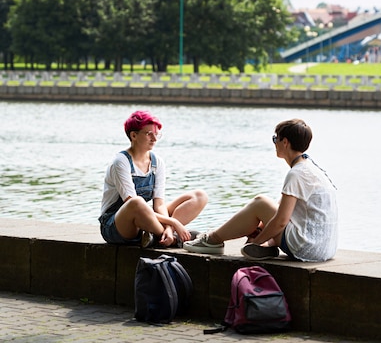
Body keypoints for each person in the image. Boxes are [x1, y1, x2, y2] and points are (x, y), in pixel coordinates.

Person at [183, 118, 338, 262]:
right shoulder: (312, 169)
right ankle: (268, 245)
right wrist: (261, 229)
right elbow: (283, 209)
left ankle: (212, 240)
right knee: (270, 207)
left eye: (275, 139)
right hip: (325, 249)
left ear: (285, 142)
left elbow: (281, 221)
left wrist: (256, 243)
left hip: (307, 248)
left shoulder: (296, 173)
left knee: (260, 202)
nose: (274, 143)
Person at [99, 109, 208, 247]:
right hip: (115, 225)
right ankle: (172, 240)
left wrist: (169, 227)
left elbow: (159, 204)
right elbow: (132, 204)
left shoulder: (157, 162)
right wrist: (174, 222)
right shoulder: (121, 162)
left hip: (145, 219)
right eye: (149, 134)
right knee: (136, 203)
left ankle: (163, 235)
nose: (154, 139)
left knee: (199, 196)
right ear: (133, 135)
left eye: (156, 134)